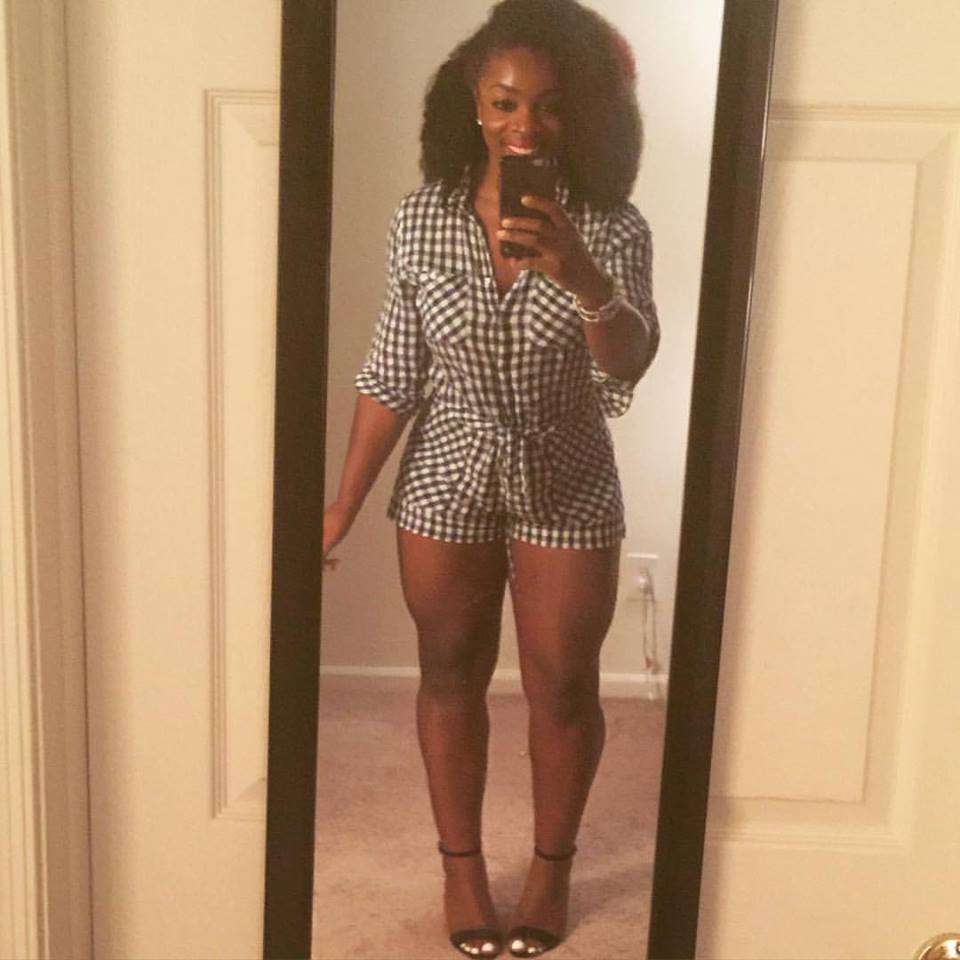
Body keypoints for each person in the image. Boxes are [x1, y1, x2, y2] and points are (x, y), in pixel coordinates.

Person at [323, 0, 659, 955]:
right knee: (448, 669)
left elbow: (628, 363)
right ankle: (460, 868)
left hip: (567, 467)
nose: (525, 126)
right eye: (506, 102)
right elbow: (394, 372)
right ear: (473, 103)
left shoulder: (611, 227)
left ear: (577, 112)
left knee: (564, 683)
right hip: (447, 465)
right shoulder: (422, 218)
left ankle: (551, 869)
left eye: (548, 106)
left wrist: (582, 274)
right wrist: (342, 504)